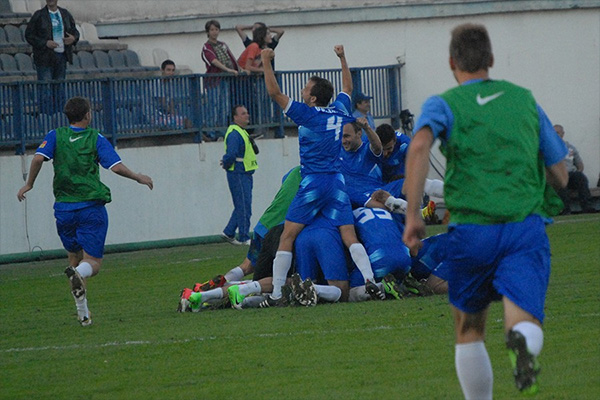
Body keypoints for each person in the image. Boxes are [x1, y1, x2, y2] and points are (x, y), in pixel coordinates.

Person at [402, 23, 568, 398]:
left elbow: (418, 147)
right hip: (523, 227)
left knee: (470, 329)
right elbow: (560, 173)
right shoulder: (524, 99)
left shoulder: (443, 103)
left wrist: (413, 215)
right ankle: (522, 342)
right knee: (522, 318)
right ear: (491, 60)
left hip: (471, 230)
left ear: (451, 62)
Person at [260, 45, 382, 307]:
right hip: (337, 183)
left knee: (287, 236)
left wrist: (265, 62)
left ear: (313, 98)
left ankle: (277, 293)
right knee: (348, 236)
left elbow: (274, 92)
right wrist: (342, 58)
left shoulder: (307, 114)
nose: (303, 90)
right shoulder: (339, 110)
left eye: (305, 88)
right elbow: (347, 89)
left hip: (314, 182)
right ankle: (371, 280)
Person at [16, 96, 153, 326]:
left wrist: (29, 184)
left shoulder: (55, 135)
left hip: (64, 209)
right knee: (92, 264)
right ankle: (81, 276)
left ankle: (83, 314)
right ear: (87, 114)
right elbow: (116, 167)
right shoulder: (94, 137)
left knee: (74, 259)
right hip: (90, 207)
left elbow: (39, 158)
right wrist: (138, 176)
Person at [220, 105, 258, 245]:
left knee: (242, 204)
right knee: (244, 205)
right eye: (243, 113)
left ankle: (229, 231)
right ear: (235, 117)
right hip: (239, 172)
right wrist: (226, 163)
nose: (247, 115)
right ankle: (243, 236)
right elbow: (231, 154)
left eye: (247, 113)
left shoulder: (240, 131)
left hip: (245, 172)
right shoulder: (235, 133)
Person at [201, 19, 240, 140]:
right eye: (212, 30)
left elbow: (231, 59)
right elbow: (213, 61)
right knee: (214, 105)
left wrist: (239, 69)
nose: (214, 32)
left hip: (224, 80)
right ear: (208, 31)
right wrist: (227, 70)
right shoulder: (206, 47)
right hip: (214, 80)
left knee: (224, 106)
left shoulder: (222, 45)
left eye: (216, 29)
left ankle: (222, 131)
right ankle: (210, 131)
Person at [25, 0, 79, 82]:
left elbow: (74, 31)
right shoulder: (39, 15)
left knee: (59, 88)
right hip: (44, 59)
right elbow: (29, 35)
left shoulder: (65, 14)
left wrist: (73, 38)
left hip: (61, 57)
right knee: (46, 88)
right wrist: (45, 43)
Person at [554, 124, 595, 214]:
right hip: (558, 175)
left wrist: (579, 171)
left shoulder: (570, 148)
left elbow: (579, 164)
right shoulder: (550, 149)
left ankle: (586, 207)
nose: (555, 135)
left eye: (557, 133)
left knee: (581, 178)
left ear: (562, 134)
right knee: (560, 182)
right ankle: (565, 209)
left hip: (571, 174)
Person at [152, 59, 192, 130]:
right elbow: (162, 103)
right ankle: (204, 140)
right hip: (156, 115)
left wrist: (174, 112)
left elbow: (171, 101)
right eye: (168, 70)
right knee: (185, 122)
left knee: (188, 120)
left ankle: (204, 139)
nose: (171, 73)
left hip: (167, 114)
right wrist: (173, 112)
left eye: (173, 70)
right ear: (162, 70)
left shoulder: (170, 84)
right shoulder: (156, 83)